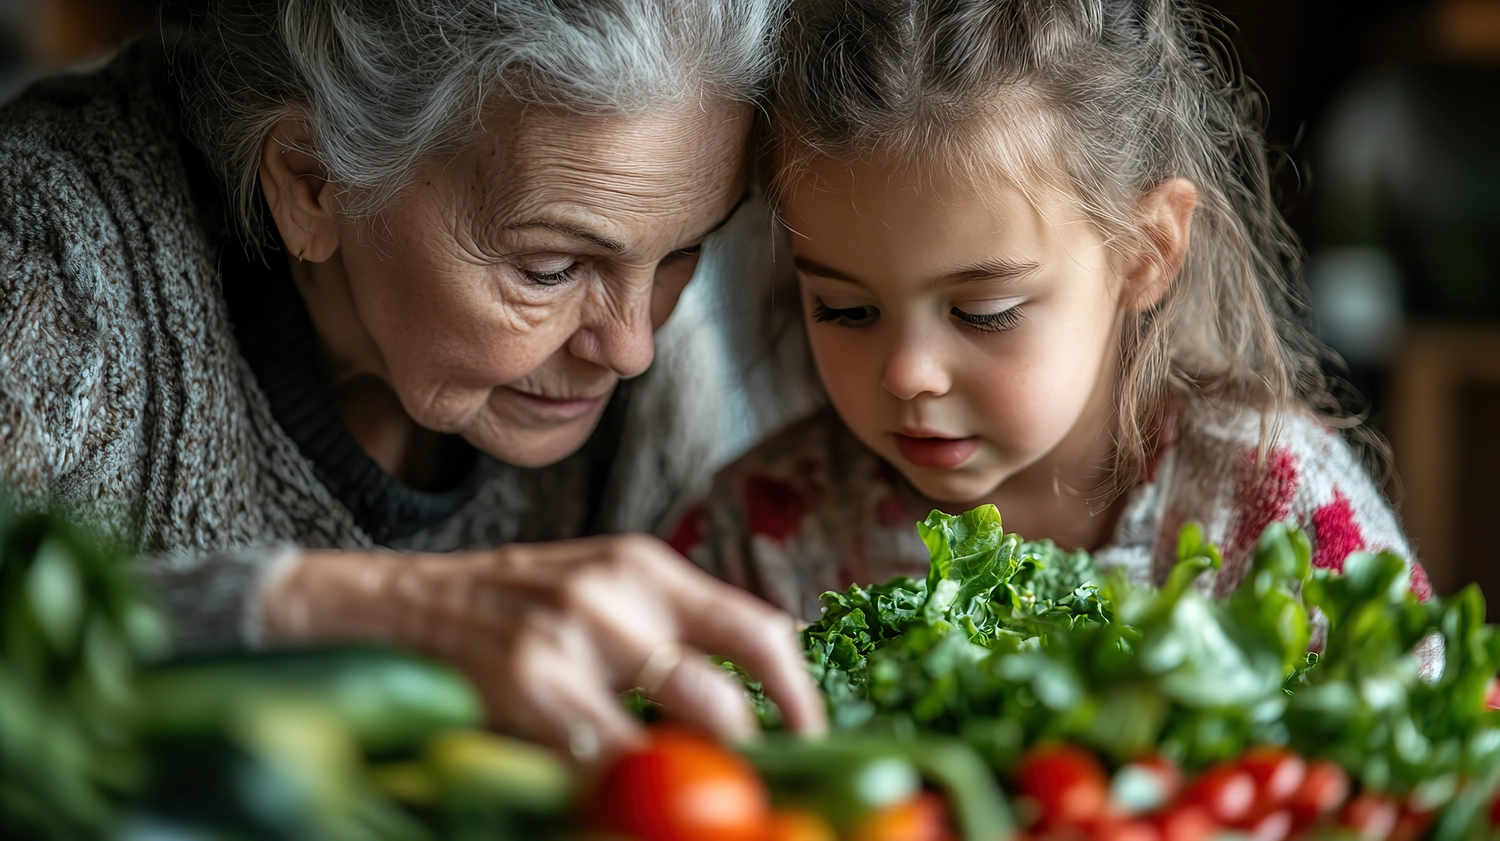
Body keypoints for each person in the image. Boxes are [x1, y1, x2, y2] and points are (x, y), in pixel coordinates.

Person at [0, 0, 825, 762]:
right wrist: (390, 613)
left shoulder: (647, 378)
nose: (634, 348)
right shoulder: (44, 264)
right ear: (312, 179)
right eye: (550, 267)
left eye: (685, 251)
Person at [672, 0, 1431, 620]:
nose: (908, 373)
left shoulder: (1280, 510)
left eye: (984, 311)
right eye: (845, 309)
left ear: (1146, 250)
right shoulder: (758, 539)